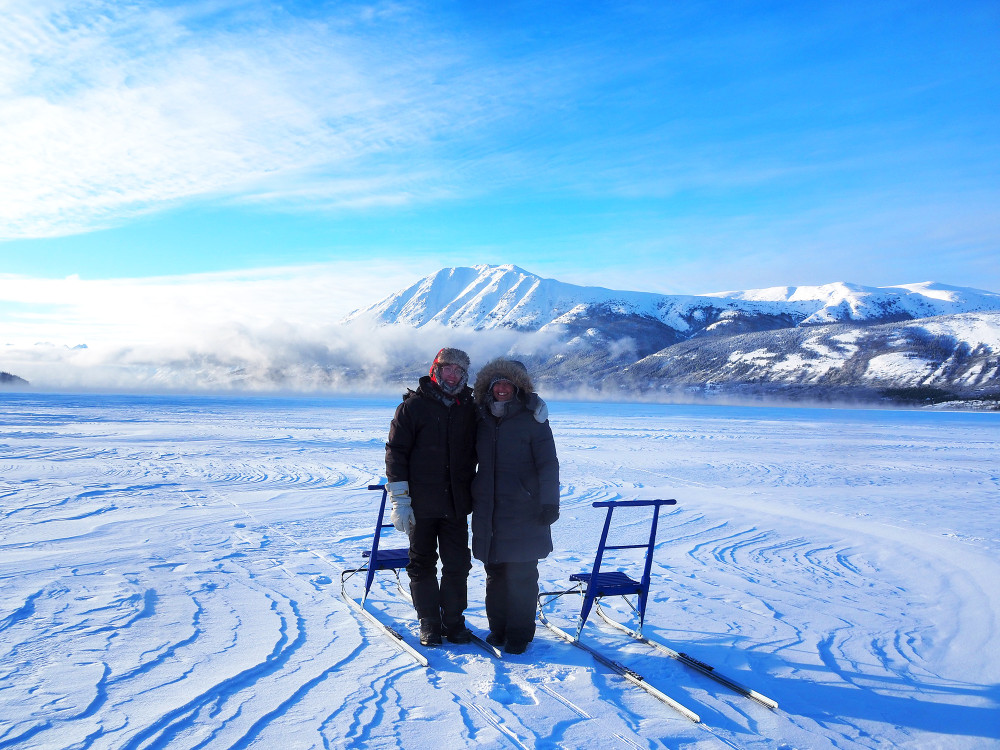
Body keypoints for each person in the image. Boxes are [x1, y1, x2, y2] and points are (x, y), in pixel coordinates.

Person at [385, 347, 477, 646]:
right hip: (420, 504)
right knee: (422, 563)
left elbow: (502, 408)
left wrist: (532, 403)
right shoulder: (413, 407)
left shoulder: (468, 407)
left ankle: (453, 620)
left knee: (458, 564)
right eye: (448, 368)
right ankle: (429, 622)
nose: (453, 375)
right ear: (436, 370)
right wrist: (400, 499)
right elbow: (396, 453)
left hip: (455, 503)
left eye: (459, 371)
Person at [471, 358, 559, 655]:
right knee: (495, 572)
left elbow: (548, 464)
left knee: (521, 574)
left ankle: (519, 634)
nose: (502, 389)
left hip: (524, 509)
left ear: (518, 387)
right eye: (497, 383)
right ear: (489, 387)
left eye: (508, 383)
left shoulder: (533, 418)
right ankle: (498, 629)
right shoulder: (481, 417)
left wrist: (549, 502)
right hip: (489, 510)